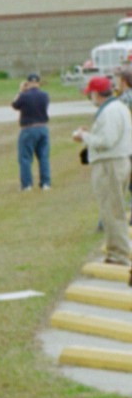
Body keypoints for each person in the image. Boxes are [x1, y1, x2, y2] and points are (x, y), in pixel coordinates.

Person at [72, 76, 132, 265]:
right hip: (116, 161)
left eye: (90, 94)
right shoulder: (117, 108)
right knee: (113, 209)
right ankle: (116, 251)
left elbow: (107, 141)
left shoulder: (110, 112)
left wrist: (84, 136)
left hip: (110, 164)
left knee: (112, 210)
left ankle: (120, 253)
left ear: (96, 93)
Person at [12, 73, 51, 191]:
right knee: (44, 157)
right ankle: (45, 183)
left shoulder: (24, 96)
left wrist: (21, 91)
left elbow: (14, 105)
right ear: (38, 83)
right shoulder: (45, 95)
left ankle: (27, 184)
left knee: (25, 158)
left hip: (28, 128)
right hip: (43, 127)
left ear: (28, 83)